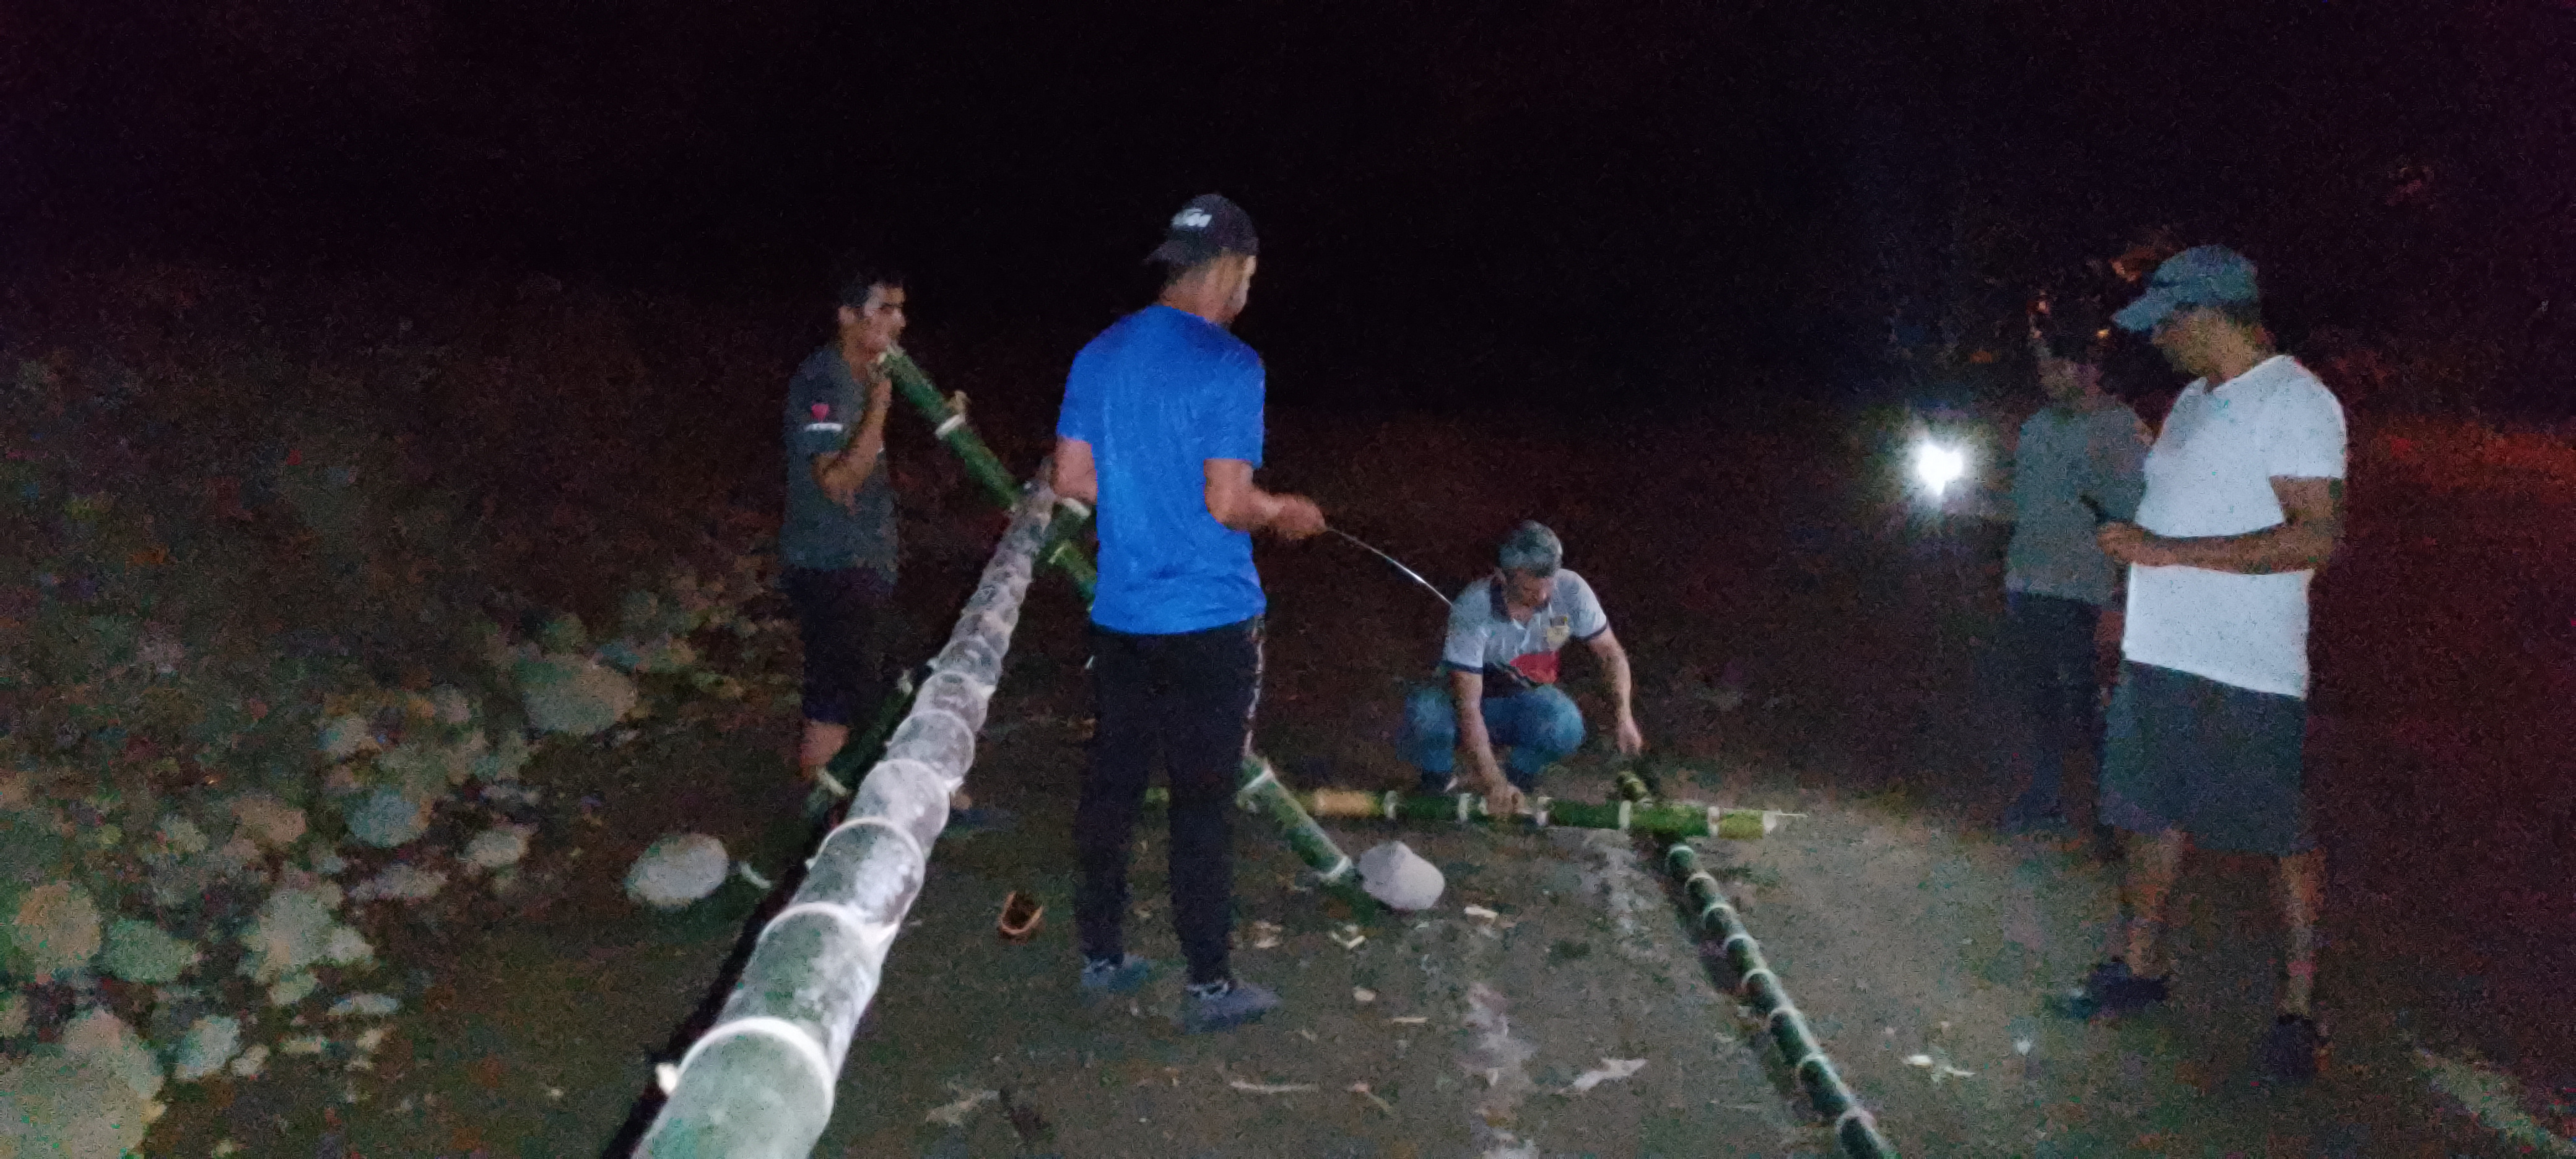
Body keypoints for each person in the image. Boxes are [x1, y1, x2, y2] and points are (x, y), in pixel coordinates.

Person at [1048, 194, 1325, 1033]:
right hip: (1209, 622)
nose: (1248, 291)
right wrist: (1284, 512)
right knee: (1202, 804)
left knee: (1113, 785)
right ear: (1232, 269)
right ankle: (1208, 984)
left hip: (1123, 617)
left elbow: (1071, 479)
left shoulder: (1099, 352)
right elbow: (1229, 501)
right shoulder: (1231, 365)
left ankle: (1101, 955)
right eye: (1248, 276)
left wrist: (1146, 489)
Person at [2071, 246, 2347, 1087]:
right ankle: (2140, 966)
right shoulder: (2194, 400)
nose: (2158, 341)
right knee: (2148, 813)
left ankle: (2299, 1011)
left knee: (2278, 837)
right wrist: (2130, 590)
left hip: (2244, 667)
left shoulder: (2296, 402)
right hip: (2160, 651)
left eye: (2167, 325)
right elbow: (2171, 510)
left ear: (2209, 316)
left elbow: (2315, 537)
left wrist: (2167, 552)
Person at [779, 266, 981, 823]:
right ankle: (825, 825)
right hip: (830, 564)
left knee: (869, 687)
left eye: (901, 309)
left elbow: (885, 472)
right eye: (885, 309)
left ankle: (906, 807)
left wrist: (947, 426)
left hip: (862, 563)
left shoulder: (860, 379)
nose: (899, 321)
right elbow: (838, 480)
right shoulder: (827, 382)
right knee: (842, 698)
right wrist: (882, 403)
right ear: (848, 316)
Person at [1998, 308, 2148, 847]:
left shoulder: (2119, 428)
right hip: (2029, 582)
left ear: (2088, 368)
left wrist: (2122, 596)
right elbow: (2025, 505)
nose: (2047, 378)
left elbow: (2135, 513)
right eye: (2042, 367)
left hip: (2083, 589)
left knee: (2089, 705)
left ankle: (2115, 816)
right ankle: (2046, 800)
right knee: (2043, 699)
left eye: (2056, 366)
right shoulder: (2038, 427)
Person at [1397, 521, 1642, 815]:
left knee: (1565, 724)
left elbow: (1611, 653)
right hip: (1464, 700)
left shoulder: (1572, 590)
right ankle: (1437, 780)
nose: (1543, 596)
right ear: (1502, 576)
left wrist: (1624, 714)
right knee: (1425, 712)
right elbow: (1468, 707)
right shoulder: (1473, 608)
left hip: (1523, 697)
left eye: (1549, 583)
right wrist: (1493, 782)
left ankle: (1518, 779)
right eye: (1530, 588)